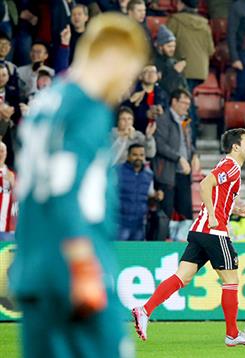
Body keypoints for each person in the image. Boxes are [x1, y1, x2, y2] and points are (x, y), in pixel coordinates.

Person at [10, 13, 149, 357]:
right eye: (129, 72)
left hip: (34, 270)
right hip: (74, 268)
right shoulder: (86, 108)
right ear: (113, 57)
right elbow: (65, 188)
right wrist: (83, 265)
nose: (126, 86)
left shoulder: (48, 102)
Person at [132, 128, 245, 347]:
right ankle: (232, 334)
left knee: (183, 276)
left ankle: (144, 310)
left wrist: (238, 210)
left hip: (200, 231)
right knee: (231, 281)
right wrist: (211, 214)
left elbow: (220, 198)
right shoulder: (230, 166)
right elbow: (204, 185)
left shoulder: (229, 167)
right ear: (235, 146)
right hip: (214, 231)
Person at [152, 89, 199, 238]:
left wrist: (194, 154)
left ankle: (182, 244)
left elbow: (188, 143)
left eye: (188, 104)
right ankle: (164, 245)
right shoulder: (163, 120)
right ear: (174, 101)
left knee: (186, 212)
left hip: (184, 174)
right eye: (184, 103)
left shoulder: (185, 120)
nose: (187, 106)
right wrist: (179, 158)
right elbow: (160, 145)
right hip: (167, 174)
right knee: (166, 212)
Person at [166, 0, 215, 143]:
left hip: (181, 67)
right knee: (189, 101)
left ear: (181, 4)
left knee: (185, 103)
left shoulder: (175, 20)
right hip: (199, 70)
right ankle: (190, 137)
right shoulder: (205, 24)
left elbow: (168, 43)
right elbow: (211, 50)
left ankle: (189, 140)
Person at [117, 144, 162, 241]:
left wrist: (156, 196)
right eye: (135, 155)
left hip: (139, 225)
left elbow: (149, 195)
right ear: (128, 156)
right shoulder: (117, 171)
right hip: (119, 223)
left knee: (137, 254)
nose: (139, 157)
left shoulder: (148, 174)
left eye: (141, 155)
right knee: (118, 254)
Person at [127, 64, 168, 134]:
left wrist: (162, 112)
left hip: (157, 133)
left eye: (153, 72)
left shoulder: (162, 93)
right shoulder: (132, 91)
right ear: (140, 76)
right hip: (136, 132)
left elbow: (167, 112)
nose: (151, 74)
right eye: (147, 71)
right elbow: (125, 110)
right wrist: (144, 114)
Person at [154, 25, 189, 96]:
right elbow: (165, 89)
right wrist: (175, 72)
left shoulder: (173, 62)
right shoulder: (154, 63)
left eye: (174, 46)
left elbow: (184, 87)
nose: (172, 49)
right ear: (160, 47)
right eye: (169, 46)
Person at [0, 141, 15, 241]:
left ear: (6, 153)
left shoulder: (11, 174)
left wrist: (12, 182)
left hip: (5, 228)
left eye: (2, 151)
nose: (0, 153)